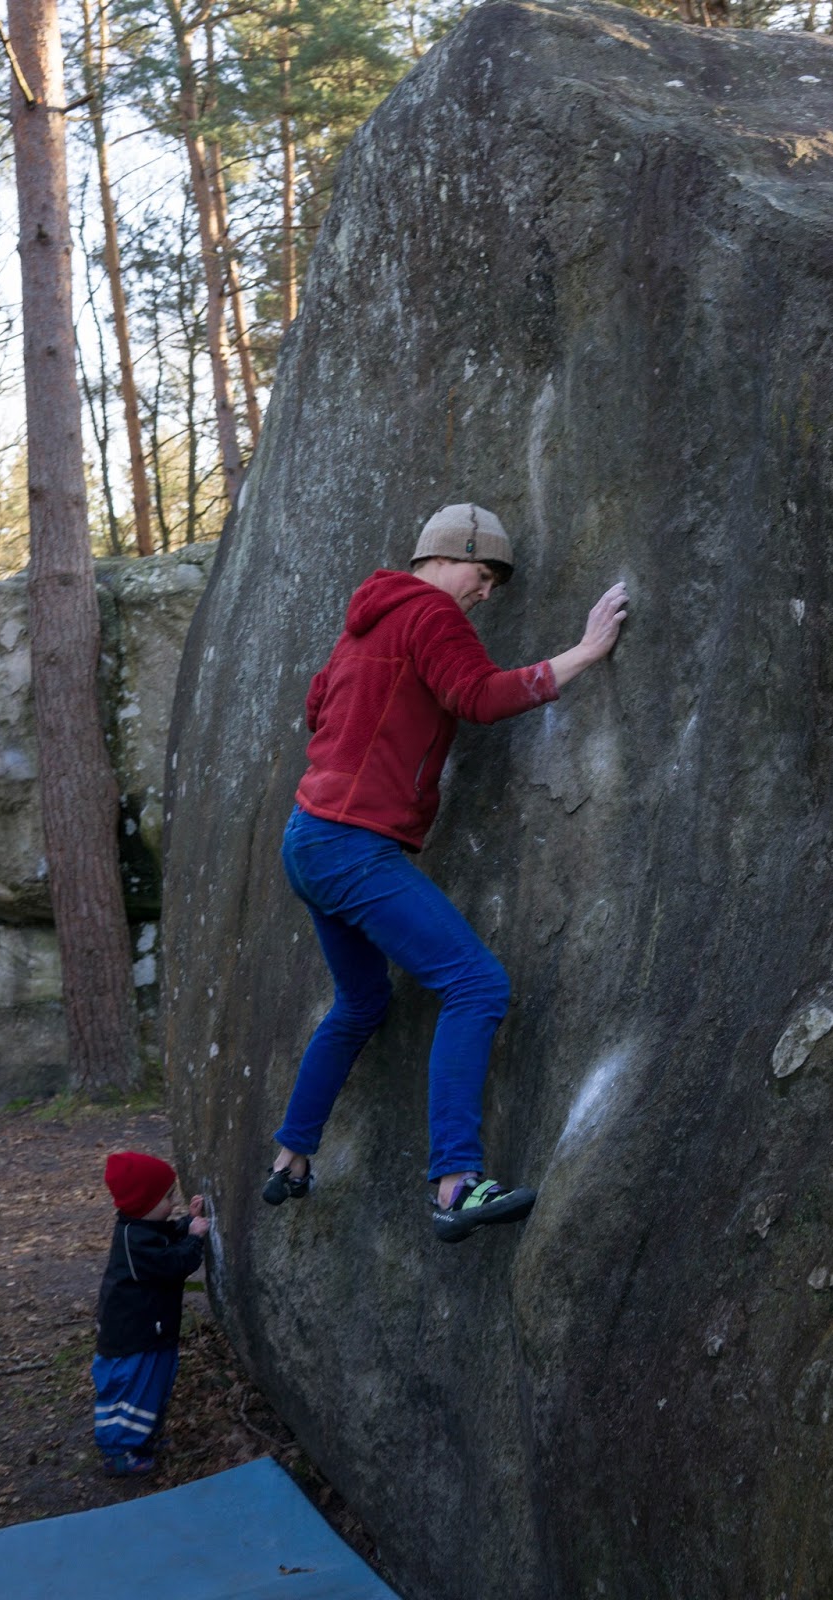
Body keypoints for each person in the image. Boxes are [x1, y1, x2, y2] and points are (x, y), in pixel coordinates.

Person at [263, 503, 628, 1242]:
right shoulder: (431, 614)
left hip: (307, 836)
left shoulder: (365, 620)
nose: (486, 592)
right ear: (450, 555)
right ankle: (456, 1183)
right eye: (484, 573)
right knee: (477, 983)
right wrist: (586, 652)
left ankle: (291, 1154)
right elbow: (479, 696)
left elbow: (316, 706)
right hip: (351, 843)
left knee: (361, 1004)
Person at [92, 1151, 209, 1476]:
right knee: (130, 1391)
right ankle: (118, 1451)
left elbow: (167, 1234)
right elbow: (172, 1264)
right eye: (168, 1197)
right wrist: (195, 1239)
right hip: (132, 1337)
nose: (173, 1203)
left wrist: (187, 1222)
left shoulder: (141, 1228)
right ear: (145, 1202)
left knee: (153, 1386)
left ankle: (141, 1438)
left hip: (151, 1331)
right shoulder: (133, 1241)